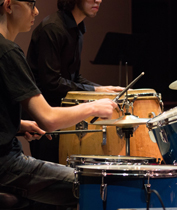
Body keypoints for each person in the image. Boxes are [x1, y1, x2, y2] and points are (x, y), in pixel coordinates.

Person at [0, 0, 117, 208]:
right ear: (9, 6)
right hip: (6, 164)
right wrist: (94, 107)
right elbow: (49, 119)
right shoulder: (8, 52)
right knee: (101, 186)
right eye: (31, 4)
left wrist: (18, 125)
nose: (36, 11)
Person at [26, 0, 124, 163]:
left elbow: (73, 77)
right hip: (46, 116)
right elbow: (52, 82)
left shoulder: (77, 28)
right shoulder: (52, 28)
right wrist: (94, 92)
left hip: (63, 114)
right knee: (51, 182)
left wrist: (101, 89)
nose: (98, 0)